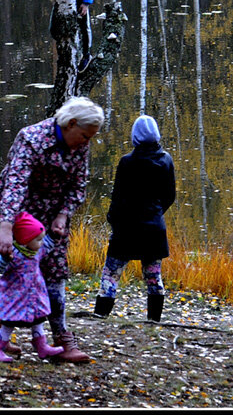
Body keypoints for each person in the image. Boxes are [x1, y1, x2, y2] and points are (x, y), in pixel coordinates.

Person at [0, 96, 105, 363]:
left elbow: (79, 184)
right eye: (85, 135)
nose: (87, 142)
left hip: (53, 216)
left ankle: (61, 339)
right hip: (20, 215)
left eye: (91, 138)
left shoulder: (80, 145)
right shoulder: (32, 139)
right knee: (16, 273)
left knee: (54, 273)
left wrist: (63, 214)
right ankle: (0, 333)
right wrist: (6, 226)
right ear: (71, 124)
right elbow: (15, 183)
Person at [93, 114, 176, 323]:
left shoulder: (127, 162)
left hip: (126, 229)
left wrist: (113, 220)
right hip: (154, 229)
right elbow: (169, 196)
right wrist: (155, 213)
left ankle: (100, 316)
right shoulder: (166, 160)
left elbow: (118, 197)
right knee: (153, 276)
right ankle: (153, 321)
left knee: (111, 274)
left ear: (135, 136)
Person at [0, 211, 65, 362]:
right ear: (25, 240)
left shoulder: (36, 251)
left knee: (38, 321)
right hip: (14, 298)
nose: (41, 243)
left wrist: (54, 235)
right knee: (8, 323)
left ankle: (42, 347)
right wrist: (4, 259)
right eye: (38, 240)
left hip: (35, 297)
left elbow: (47, 244)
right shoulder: (13, 254)